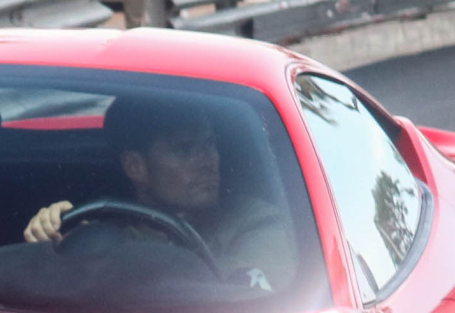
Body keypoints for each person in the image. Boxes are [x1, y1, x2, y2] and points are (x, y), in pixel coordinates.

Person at [20, 93, 295, 291]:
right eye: (184, 149)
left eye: (209, 144)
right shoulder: (105, 230)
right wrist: (52, 238)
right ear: (136, 166)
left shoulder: (256, 220)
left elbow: (245, 294)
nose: (208, 160)